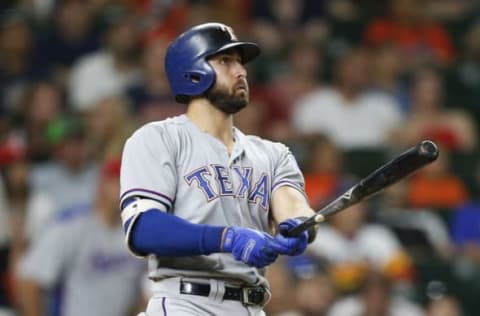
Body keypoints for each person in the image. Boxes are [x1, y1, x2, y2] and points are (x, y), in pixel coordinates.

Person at [119, 22, 317, 316]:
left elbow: (292, 205)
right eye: (226, 61)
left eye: (240, 62)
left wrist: (299, 227)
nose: (242, 71)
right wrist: (227, 238)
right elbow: (143, 228)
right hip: (185, 302)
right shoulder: (158, 139)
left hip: (252, 305)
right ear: (192, 71)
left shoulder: (274, 154)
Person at [17, 157, 145, 316]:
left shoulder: (137, 231)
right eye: (120, 183)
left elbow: (144, 293)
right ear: (103, 184)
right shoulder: (70, 225)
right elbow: (30, 281)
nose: (127, 191)